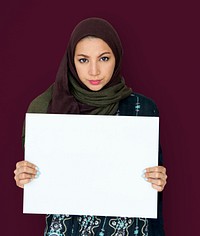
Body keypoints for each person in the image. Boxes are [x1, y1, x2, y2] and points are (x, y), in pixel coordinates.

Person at [14, 17, 167, 235]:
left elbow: (151, 183)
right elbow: (44, 179)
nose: (94, 71)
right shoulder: (47, 108)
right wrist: (26, 177)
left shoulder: (142, 108)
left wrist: (158, 179)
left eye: (104, 58)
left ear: (116, 57)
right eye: (83, 60)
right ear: (71, 61)